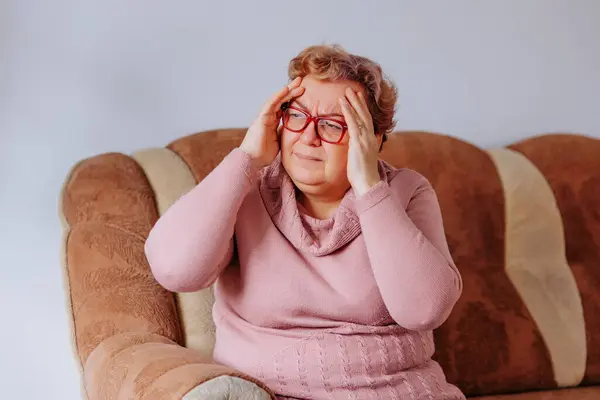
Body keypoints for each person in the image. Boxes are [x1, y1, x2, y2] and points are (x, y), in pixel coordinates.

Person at [145, 44, 465, 399]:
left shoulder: (406, 192)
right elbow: (174, 270)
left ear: (373, 139)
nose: (309, 137)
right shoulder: (246, 188)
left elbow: (424, 309)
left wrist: (369, 188)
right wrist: (246, 158)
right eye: (296, 116)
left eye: (332, 125)